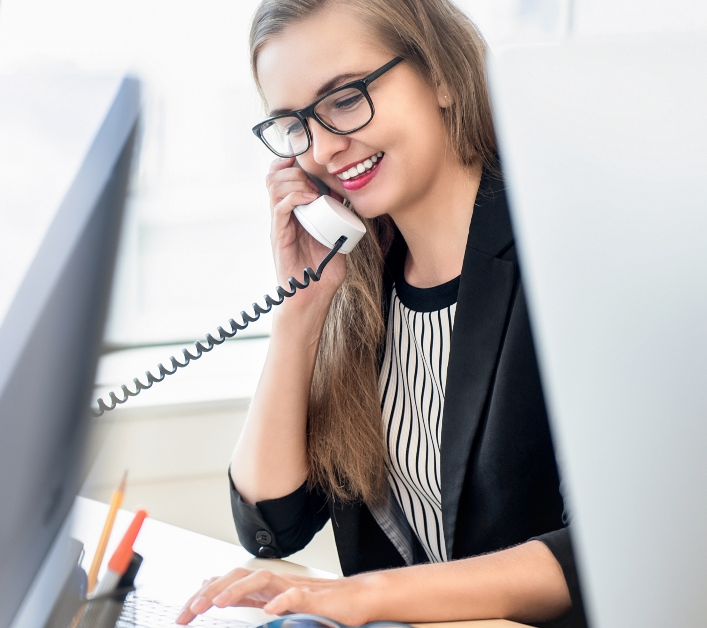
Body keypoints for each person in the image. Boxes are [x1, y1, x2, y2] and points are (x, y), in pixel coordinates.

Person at [175, 1, 587, 626]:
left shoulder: (567, 250)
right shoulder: (365, 287)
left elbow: (595, 550)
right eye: (295, 125)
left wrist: (360, 598)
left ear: (442, 76)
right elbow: (271, 524)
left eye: (344, 98)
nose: (324, 148)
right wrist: (300, 309)